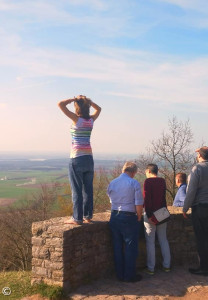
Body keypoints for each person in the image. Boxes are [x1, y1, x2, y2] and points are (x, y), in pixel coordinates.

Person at [58, 95, 101, 225]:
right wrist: (88, 101)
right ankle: (87, 215)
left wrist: (73, 99)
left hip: (77, 158)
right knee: (88, 189)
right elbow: (99, 109)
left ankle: (77, 218)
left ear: (77, 107)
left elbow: (60, 104)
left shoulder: (76, 119)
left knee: (76, 189)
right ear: (87, 107)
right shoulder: (91, 120)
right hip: (89, 158)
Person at [183, 146, 208, 276]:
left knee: (202, 239)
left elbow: (191, 191)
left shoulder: (197, 168)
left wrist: (185, 207)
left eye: (198, 154)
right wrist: (205, 150)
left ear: (200, 156)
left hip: (201, 207)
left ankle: (203, 268)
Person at [107, 162, 144, 282]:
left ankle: (119, 274)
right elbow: (138, 203)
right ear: (133, 172)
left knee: (117, 247)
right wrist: (139, 216)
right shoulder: (133, 183)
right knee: (130, 247)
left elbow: (111, 200)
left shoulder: (112, 183)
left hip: (114, 216)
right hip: (129, 217)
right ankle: (129, 276)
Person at [143, 163, 171, 275]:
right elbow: (163, 198)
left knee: (150, 242)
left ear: (149, 171)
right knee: (163, 240)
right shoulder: (162, 181)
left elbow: (147, 199)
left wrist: (149, 215)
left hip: (151, 215)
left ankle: (151, 268)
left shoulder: (148, 182)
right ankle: (167, 265)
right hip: (161, 213)